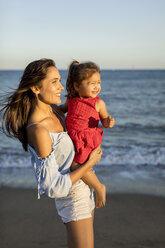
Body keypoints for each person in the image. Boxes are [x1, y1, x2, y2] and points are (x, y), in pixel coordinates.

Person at [0, 58, 103, 248]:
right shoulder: (38, 130)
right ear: (36, 88)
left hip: (84, 187)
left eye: (60, 80)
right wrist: (89, 164)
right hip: (72, 197)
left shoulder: (55, 112)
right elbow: (52, 187)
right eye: (54, 82)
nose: (60, 88)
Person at [60, 61, 115, 208]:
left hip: (87, 140)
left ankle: (99, 187)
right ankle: (90, 183)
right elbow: (61, 110)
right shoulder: (71, 99)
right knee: (77, 163)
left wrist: (108, 122)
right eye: (92, 83)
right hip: (73, 139)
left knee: (76, 165)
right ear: (77, 86)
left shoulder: (98, 103)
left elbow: (104, 119)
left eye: (99, 82)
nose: (97, 86)